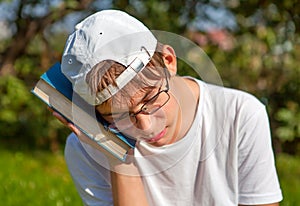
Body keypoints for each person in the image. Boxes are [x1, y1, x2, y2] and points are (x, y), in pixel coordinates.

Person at [52, 9, 283, 205]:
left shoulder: (240, 115)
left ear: (169, 61)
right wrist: (120, 160)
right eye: (119, 116)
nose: (145, 126)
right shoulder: (88, 147)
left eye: (151, 99)